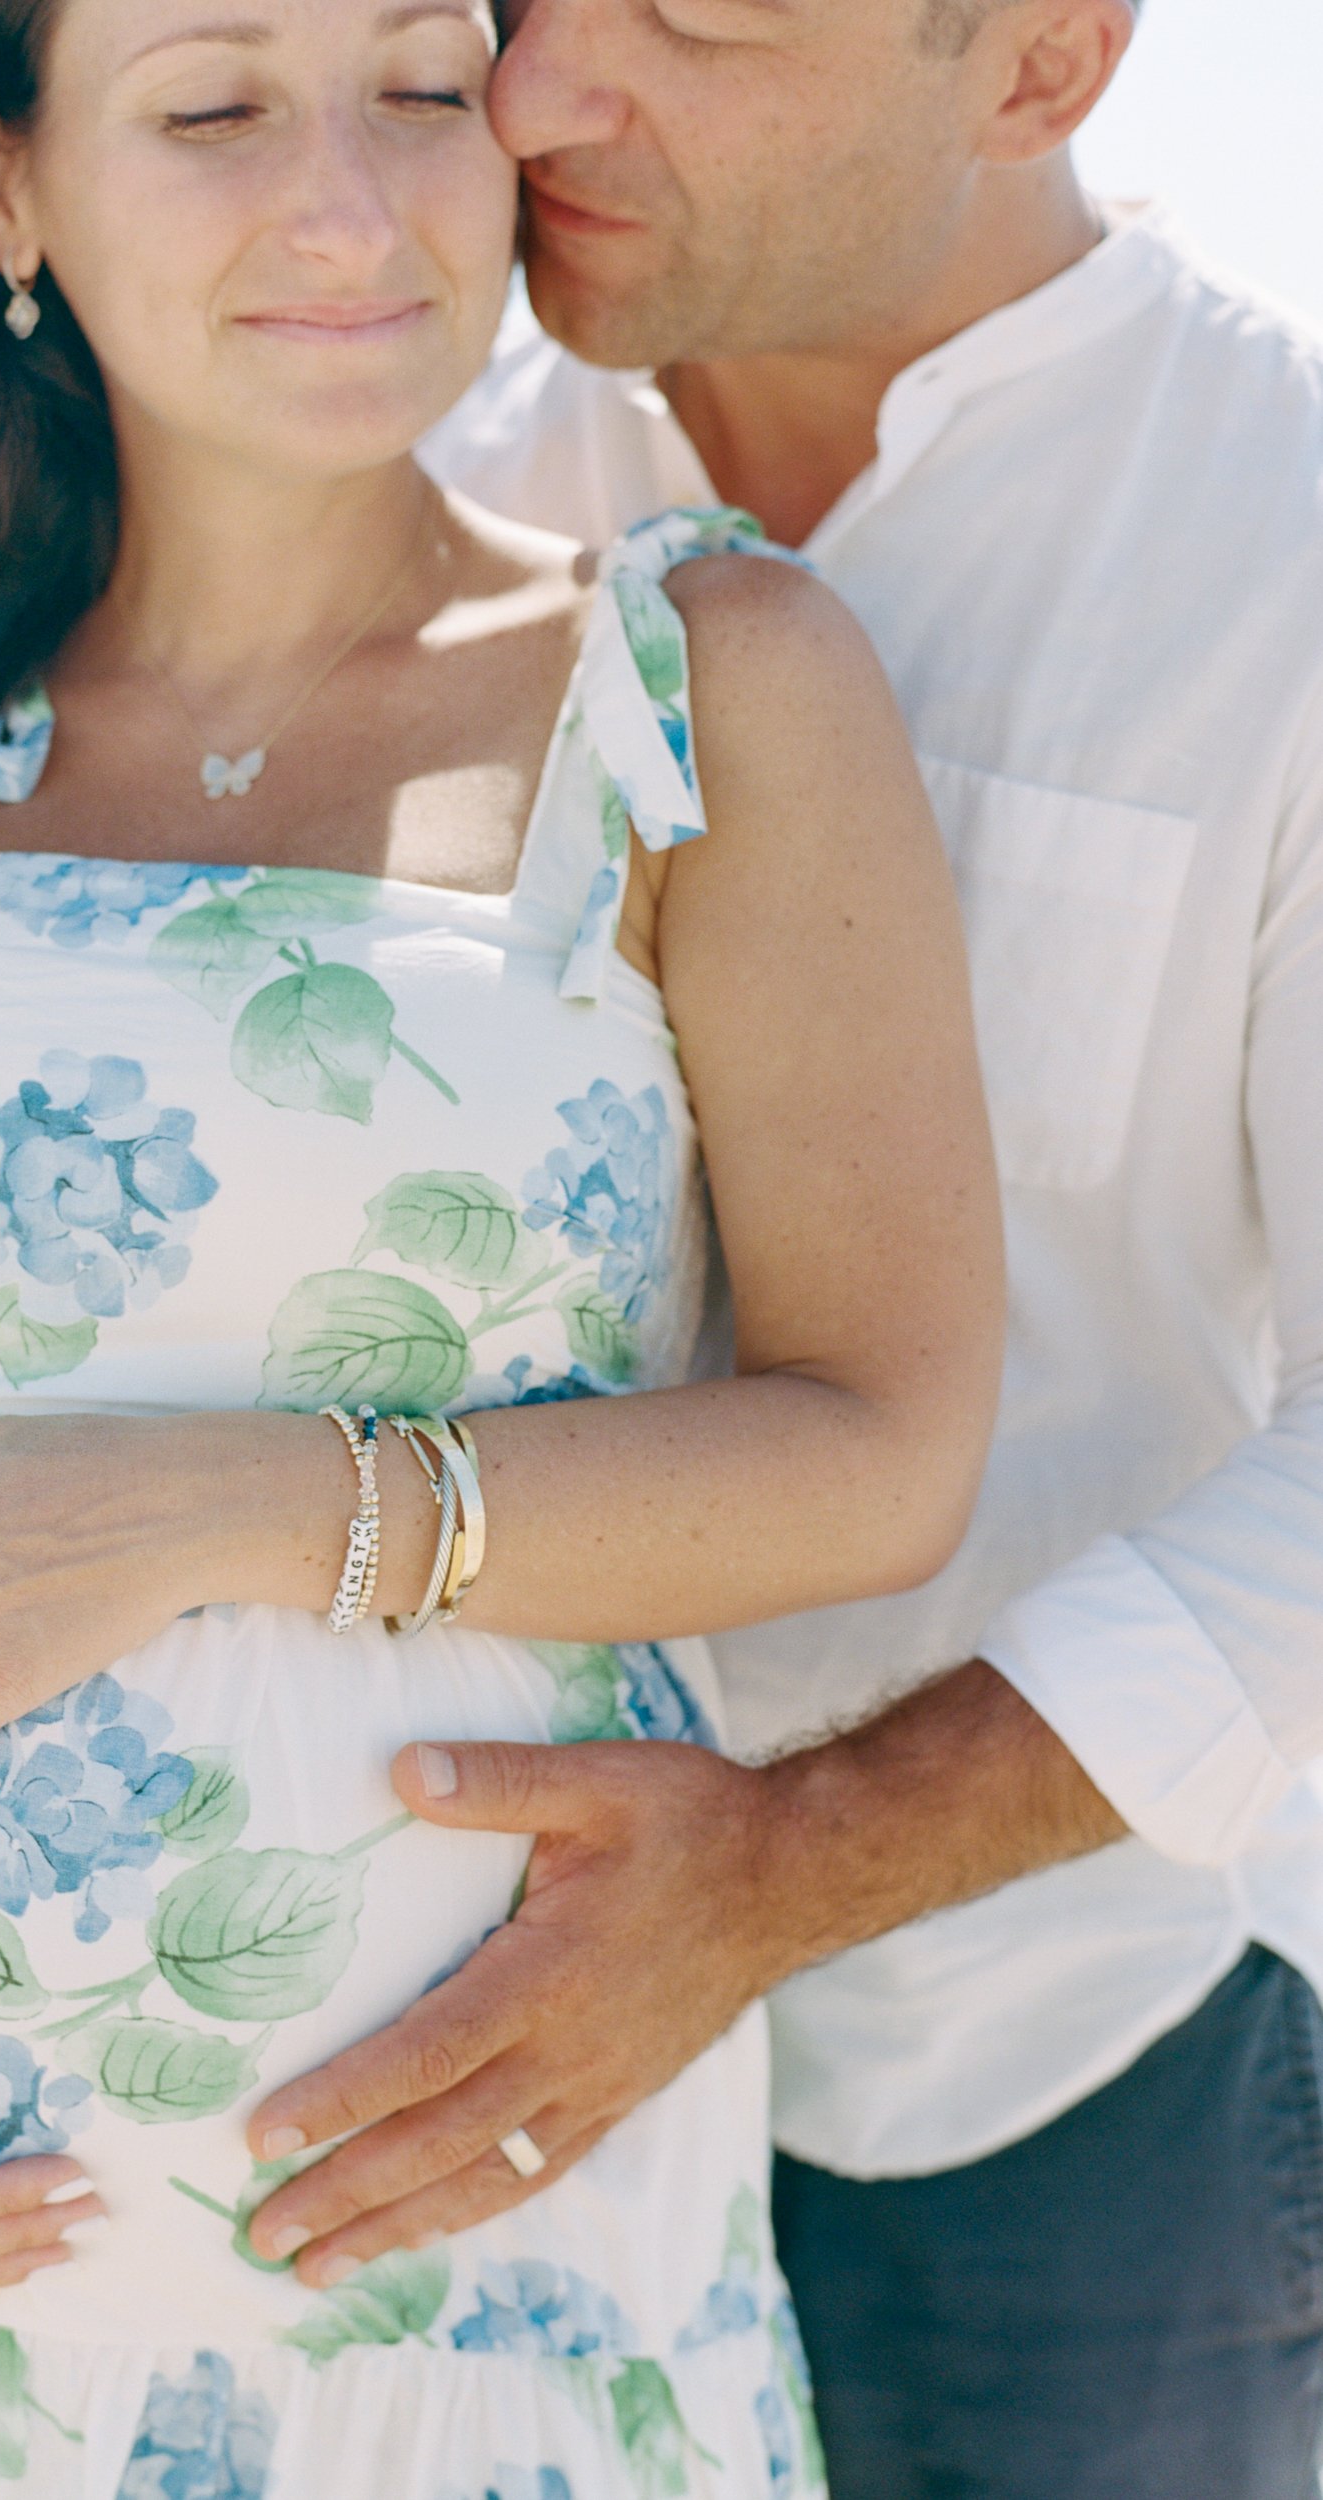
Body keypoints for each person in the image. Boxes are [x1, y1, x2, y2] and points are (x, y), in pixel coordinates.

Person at [0, 4, 1004, 2496]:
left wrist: (230, 1500)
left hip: (463, 2305)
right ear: (5, 192)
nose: (351, 203)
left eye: (418, 88)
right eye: (213, 110)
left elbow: (881, 1439)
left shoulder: (690, 682)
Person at [168, 2, 1323, 2495]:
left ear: (1034, 63)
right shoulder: (390, 490)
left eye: (694, 18)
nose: (539, 94)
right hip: (396, 2061)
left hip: (1047, 2094)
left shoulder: (1288, 551)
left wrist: (781, 1871)